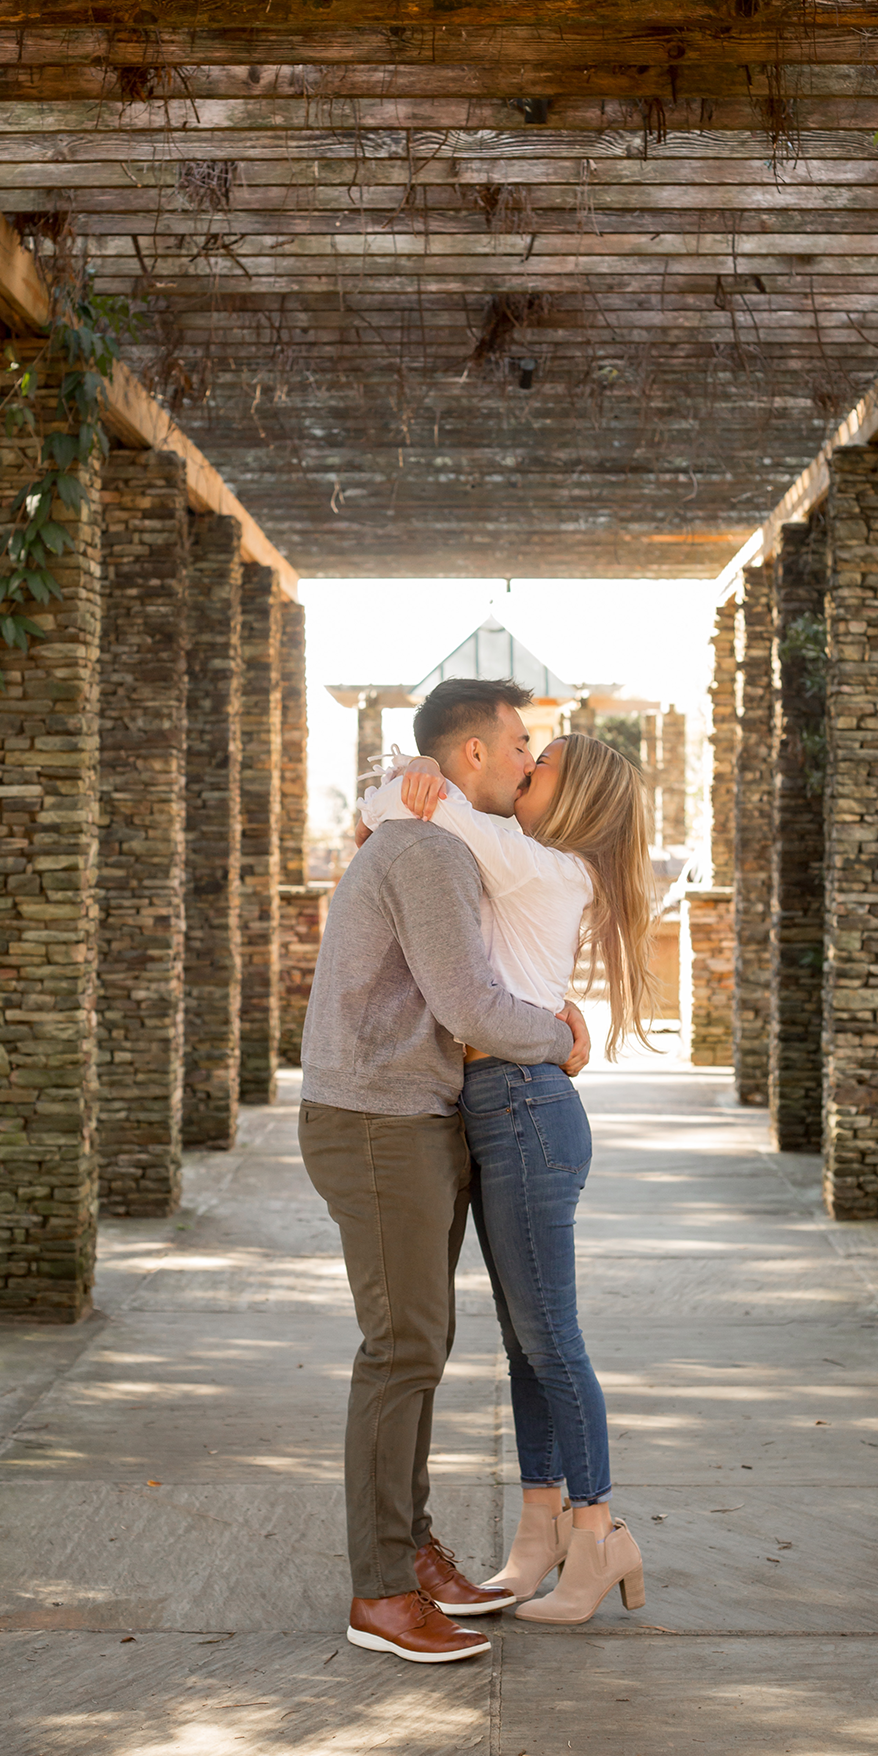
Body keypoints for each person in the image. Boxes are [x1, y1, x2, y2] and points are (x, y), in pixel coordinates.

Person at [298, 678, 592, 1666]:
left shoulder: (436, 837)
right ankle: (380, 1590)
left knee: (421, 1343)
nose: (526, 759)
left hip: (410, 1117)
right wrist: (559, 1038)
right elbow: (468, 1002)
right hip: (379, 1120)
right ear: (469, 756)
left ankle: (411, 1555)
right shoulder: (427, 849)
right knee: (402, 1349)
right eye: (518, 744)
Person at [358, 715, 657, 1626]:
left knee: (552, 1339)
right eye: (526, 751)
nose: (526, 763)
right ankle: (538, 1534)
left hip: (525, 1106)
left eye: (543, 761)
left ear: (574, 797)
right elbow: (388, 811)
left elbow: (390, 809)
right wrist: (412, 778)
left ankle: (599, 1536)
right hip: (501, 1107)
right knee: (526, 1341)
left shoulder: (537, 862)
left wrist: (416, 777)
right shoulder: (517, 856)